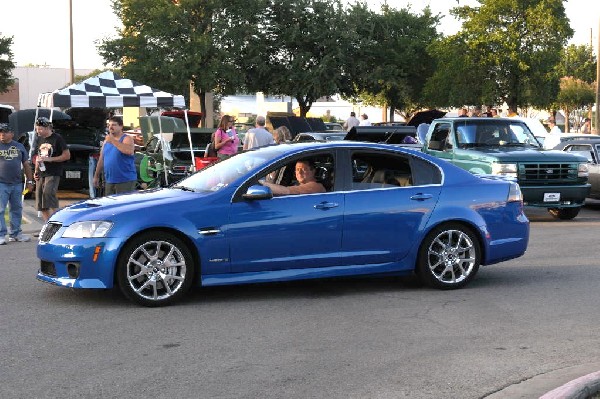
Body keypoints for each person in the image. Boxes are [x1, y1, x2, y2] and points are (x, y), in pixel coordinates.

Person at [0, 123, 34, 244]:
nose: (2, 134)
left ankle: (16, 233)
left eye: (5, 132)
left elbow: (26, 165)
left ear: (12, 134)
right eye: (0, 132)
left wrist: (29, 181)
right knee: (0, 209)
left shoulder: (19, 146)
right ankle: (1, 235)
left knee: (17, 209)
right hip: (1, 183)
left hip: (16, 183)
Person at [34, 117, 71, 223]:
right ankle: (48, 226)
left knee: (48, 195)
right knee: (41, 201)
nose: (38, 131)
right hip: (41, 172)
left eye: (40, 129)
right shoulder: (40, 139)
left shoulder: (57, 138)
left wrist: (50, 159)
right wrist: (36, 171)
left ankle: (59, 223)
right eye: (37, 129)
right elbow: (39, 156)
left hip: (53, 172)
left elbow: (67, 155)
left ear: (47, 127)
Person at [93, 116, 137, 195]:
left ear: (121, 126)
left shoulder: (127, 138)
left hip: (125, 180)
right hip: (109, 180)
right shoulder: (106, 141)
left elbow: (129, 151)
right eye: (109, 125)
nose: (110, 127)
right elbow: (101, 159)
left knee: (123, 205)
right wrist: (96, 176)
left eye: (114, 125)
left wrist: (112, 141)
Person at [260, 159, 326, 196]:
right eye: (297, 169)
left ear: (313, 171)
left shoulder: (315, 186)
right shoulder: (295, 184)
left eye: (303, 169)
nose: (299, 172)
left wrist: (262, 184)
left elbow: (286, 191)